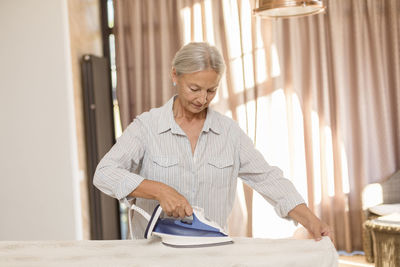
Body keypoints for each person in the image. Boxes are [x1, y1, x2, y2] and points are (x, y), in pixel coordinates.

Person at [93, 42, 332, 241]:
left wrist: (310, 219)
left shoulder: (229, 134)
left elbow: (268, 178)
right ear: (175, 75)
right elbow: (104, 173)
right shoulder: (146, 127)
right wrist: (159, 190)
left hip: (212, 254)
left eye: (211, 91)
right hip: (155, 258)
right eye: (194, 88)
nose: (201, 99)